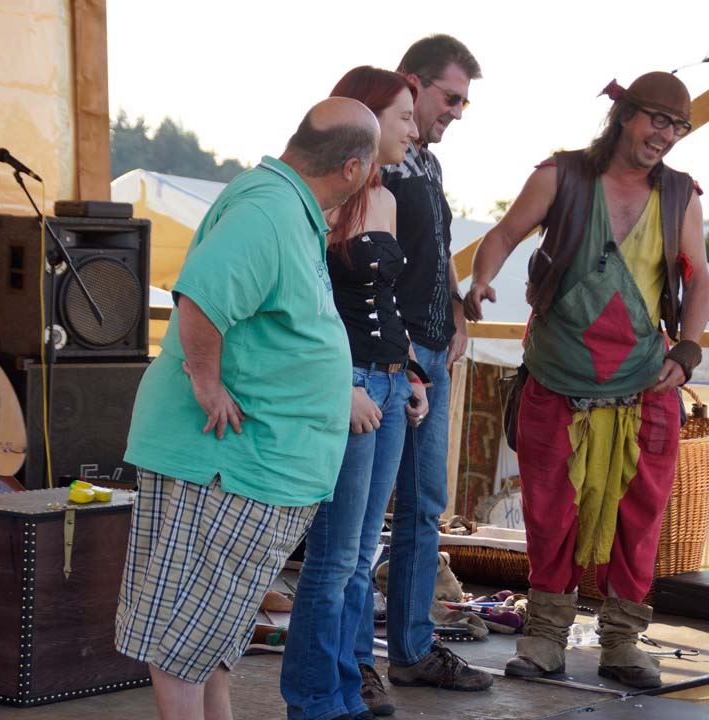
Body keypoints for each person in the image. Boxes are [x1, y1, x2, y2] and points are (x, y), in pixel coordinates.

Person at [114, 97, 380, 720]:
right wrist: (206, 382)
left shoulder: (289, 207)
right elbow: (202, 297)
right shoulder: (268, 209)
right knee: (182, 636)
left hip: (249, 466)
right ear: (350, 168)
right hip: (220, 463)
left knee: (210, 637)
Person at [463, 71, 709, 690]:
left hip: (646, 381)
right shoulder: (562, 175)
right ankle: (545, 635)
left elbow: (699, 276)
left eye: (679, 127)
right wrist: (481, 279)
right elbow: (503, 234)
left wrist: (688, 349)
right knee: (551, 512)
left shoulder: (680, 194)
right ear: (625, 114)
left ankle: (623, 641)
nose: (667, 135)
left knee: (641, 515)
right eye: (658, 120)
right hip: (558, 374)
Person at [281, 65, 426, 720]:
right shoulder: (324, 201)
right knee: (335, 555)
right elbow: (306, 307)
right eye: (404, 116)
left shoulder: (387, 198)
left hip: (390, 384)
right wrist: (340, 384)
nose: (413, 129)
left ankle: (344, 690)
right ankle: (315, 700)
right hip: (351, 385)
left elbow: (386, 301)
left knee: (363, 553)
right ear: (367, 118)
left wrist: (412, 373)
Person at [356, 35, 493, 715]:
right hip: (388, 357)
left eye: (464, 101)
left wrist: (459, 306)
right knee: (357, 522)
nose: (458, 112)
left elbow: (430, 253)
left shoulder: (427, 165)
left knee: (423, 507)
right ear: (411, 82)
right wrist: (400, 347)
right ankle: (355, 663)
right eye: (451, 98)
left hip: (429, 355)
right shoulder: (373, 162)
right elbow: (364, 264)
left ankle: (410, 650)